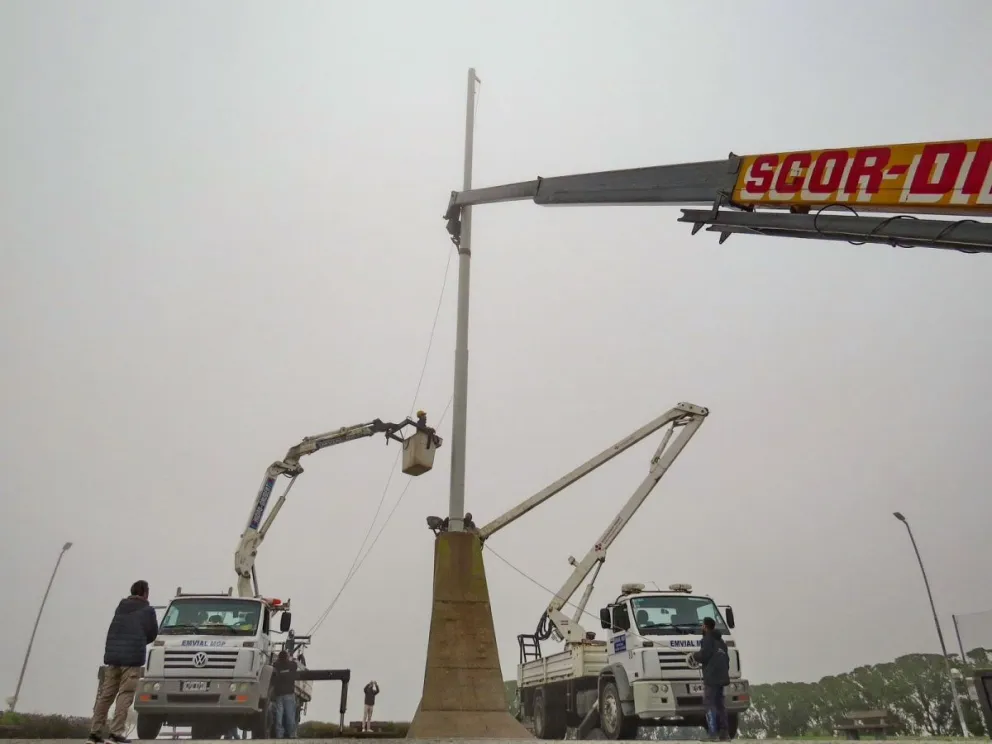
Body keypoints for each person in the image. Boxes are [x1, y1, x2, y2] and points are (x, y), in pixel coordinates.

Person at [88, 580, 158, 744]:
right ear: (145, 593)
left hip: (113, 657)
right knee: (125, 694)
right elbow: (153, 633)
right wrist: (139, 642)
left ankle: (94, 733)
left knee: (106, 695)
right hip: (131, 658)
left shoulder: (121, 608)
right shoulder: (148, 611)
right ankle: (116, 732)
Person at [691, 616, 731, 740]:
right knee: (720, 705)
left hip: (711, 677)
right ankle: (725, 734)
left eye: (702, 625)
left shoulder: (707, 639)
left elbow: (705, 655)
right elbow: (726, 659)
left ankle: (712, 734)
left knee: (709, 703)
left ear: (705, 626)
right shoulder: (722, 642)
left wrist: (694, 655)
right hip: (722, 676)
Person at [271, 650, 298, 738]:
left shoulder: (276, 665)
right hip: (289, 694)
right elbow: (295, 664)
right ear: (287, 657)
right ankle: (291, 734)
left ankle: (279, 734)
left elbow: (274, 667)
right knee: (290, 715)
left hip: (279, 695)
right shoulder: (292, 665)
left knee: (279, 716)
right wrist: (291, 658)